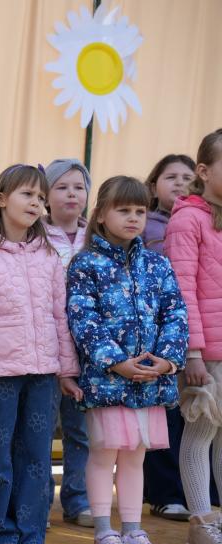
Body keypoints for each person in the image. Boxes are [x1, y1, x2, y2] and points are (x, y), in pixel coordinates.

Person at [0, 164, 80, 544]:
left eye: (40, 197)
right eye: (27, 194)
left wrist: (66, 369)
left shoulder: (48, 257)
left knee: (37, 457)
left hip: (43, 374)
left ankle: (32, 536)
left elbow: (60, 316)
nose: (36, 203)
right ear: (1, 199)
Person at [69, 176, 188, 544]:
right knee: (104, 454)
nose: (134, 217)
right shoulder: (86, 264)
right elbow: (83, 318)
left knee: (136, 456)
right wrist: (116, 363)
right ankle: (104, 531)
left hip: (151, 382)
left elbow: (175, 312)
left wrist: (167, 360)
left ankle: (133, 530)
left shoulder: (157, 263)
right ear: (101, 214)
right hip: (107, 382)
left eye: (140, 210)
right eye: (123, 210)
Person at [165, 129, 222, 544]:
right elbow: (182, 290)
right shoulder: (187, 220)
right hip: (207, 352)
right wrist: (193, 353)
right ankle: (200, 526)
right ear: (202, 170)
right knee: (200, 432)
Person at [140, 153, 200, 521]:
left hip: (194, 327)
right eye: (171, 176)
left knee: (197, 416)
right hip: (155, 331)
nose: (179, 183)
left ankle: (199, 492)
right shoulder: (144, 224)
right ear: (153, 185)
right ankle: (165, 493)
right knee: (163, 413)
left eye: (186, 177)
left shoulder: (205, 220)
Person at [42, 158, 92, 528]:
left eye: (78, 187)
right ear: (45, 195)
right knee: (41, 429)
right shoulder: (35, 236)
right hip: (45, 345)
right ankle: (38, 500)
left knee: (82, 429)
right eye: (61, 187)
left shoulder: (97, 237)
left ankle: (78, 499)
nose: (71, 194)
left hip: (89, 349)